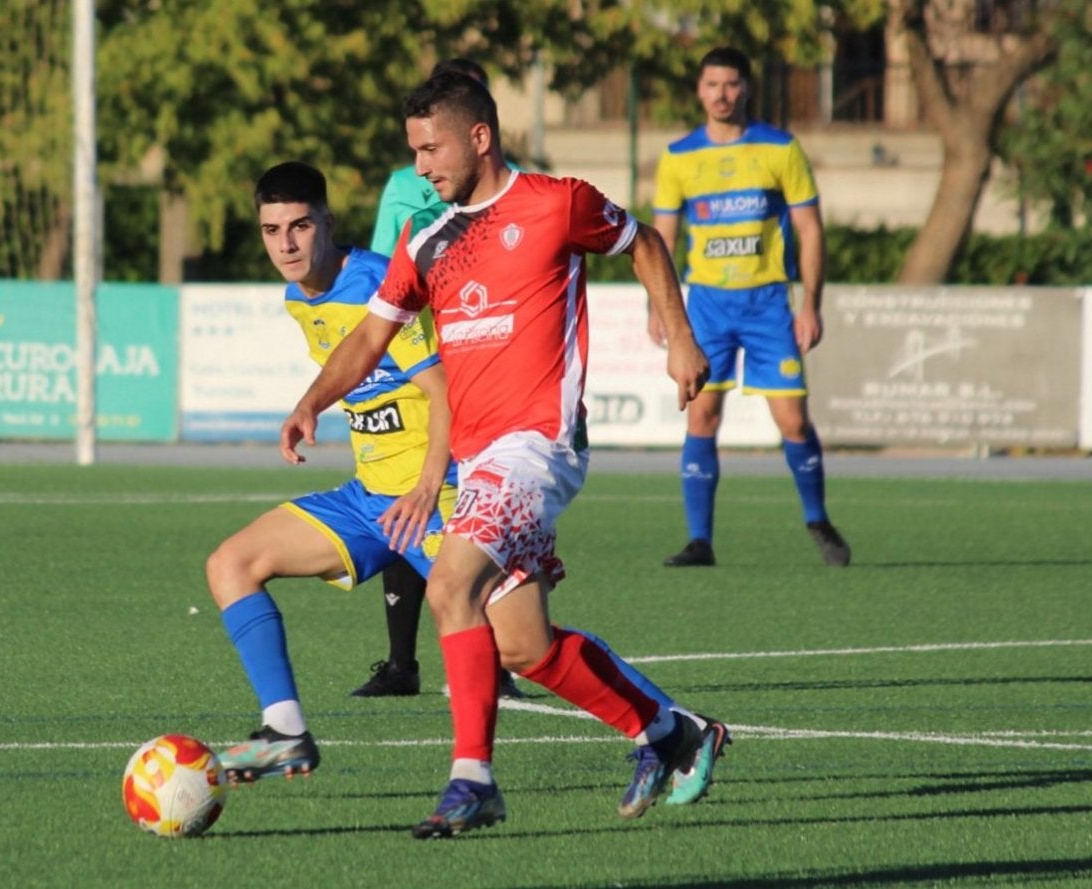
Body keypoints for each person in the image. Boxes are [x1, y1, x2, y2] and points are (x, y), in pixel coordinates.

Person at [281, 71, 729, 838]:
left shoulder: (558, 203)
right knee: (523, 645)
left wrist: (680, 333)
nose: (420, 167)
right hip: (477, 458)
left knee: (451, 581)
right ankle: (672, 732)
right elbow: (368, 335)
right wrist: (313, 400)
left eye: (431, 148)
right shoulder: (426, 240)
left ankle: (473, 779)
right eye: (413, 151)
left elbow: (644, 241)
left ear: (479, 138)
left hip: (538, 446)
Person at [207, 161, 454, 781]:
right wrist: (310, 405)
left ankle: (668, 728)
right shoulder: (299, 297)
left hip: (441, 495)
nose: (285, 245)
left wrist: (427, 489)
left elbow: (449, 394)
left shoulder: (380, 285)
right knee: (231, 565)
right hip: (372, 499)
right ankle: (285, 732)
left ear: (328, 222)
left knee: (523, 645)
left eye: (299, 226)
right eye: (271, 230)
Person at [650, 46, 851, 569]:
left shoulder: (780, 149)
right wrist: (662, 309)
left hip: (767, 306)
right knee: (703, 416)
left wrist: (811, 302)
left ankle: (817, 517)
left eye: (732, 84)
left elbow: (809, 228)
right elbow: (662, 240)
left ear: (746, 89)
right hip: (708, 308)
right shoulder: (677, 157)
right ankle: (700, 541)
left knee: (793, 422)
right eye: (712, 85)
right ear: (699, 90)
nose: (722, 94)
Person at [360, 57, 523, 700]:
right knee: (414, 503)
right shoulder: (405, 188)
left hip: (492, 366)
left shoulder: (524, 194)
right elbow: (387, 277)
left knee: (486, 511)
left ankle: (505, 658)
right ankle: (403, 664)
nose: (427, 162)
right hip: (429, 358)